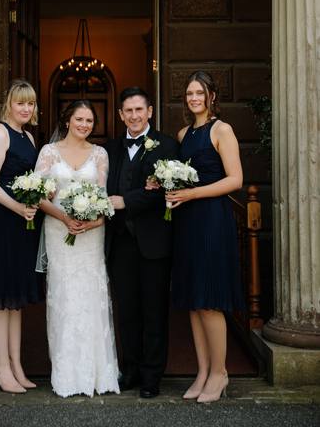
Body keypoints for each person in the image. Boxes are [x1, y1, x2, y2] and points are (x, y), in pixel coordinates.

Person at [164, 70, 244, 403]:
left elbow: (235, 179)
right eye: (189, 94)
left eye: (200, 93)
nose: (194, 98)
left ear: (212, 95)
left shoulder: (222, 130)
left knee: (210, 301)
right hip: (187, 222)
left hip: (212, 219)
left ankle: (220, 373)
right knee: (194, 303)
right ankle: (202, 371)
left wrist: (194, 194)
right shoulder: (183, 134)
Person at [34, 100, 119, 397]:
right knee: (64, 297)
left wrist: (92, 222)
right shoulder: (48, 152)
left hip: (90, 234)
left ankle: (98, 373)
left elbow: (102, 195)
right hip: (59, 231)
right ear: (67, 120)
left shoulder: (100, 154)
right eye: (79, 119)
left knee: (91, 296)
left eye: (89, 121)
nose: (84, 125)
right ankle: (67, 374)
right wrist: (64, 217)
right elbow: (38, 195)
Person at [105, 87, 179, 399]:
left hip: (153, 242)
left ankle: (152, 376)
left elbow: (165, 190)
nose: (134, 116)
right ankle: (131, 370)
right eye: (128, 111)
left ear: (149, 111)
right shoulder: (109, 149)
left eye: (139, 110)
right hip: (120, 242)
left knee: (154, 311)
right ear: (121, 115)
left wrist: (125, 201)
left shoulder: (167, 146)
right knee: (127, 311)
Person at [0, 80, 43, 393]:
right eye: (20, 103)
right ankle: (0, 366)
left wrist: (30, 205)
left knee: (15, 298)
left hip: (21, 221)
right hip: (0, 219)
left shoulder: (28, 137)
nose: (26, 109)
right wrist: (18, 207)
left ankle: (16, 365)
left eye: (30, 104)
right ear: (9, 104)